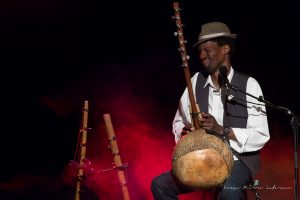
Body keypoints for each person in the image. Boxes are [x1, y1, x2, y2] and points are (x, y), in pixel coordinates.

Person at [151, 21, 270, 200]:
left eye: (207, 49)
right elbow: (179, 121)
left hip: (237, 160)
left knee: (229, 192)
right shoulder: (196, 81)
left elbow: (261, 134)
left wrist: (222, 130)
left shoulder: (248, 85)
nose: (202, 55)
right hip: (202, 157)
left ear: (225, 49)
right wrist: (184, 131)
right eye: (199, 51)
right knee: (160, 185)